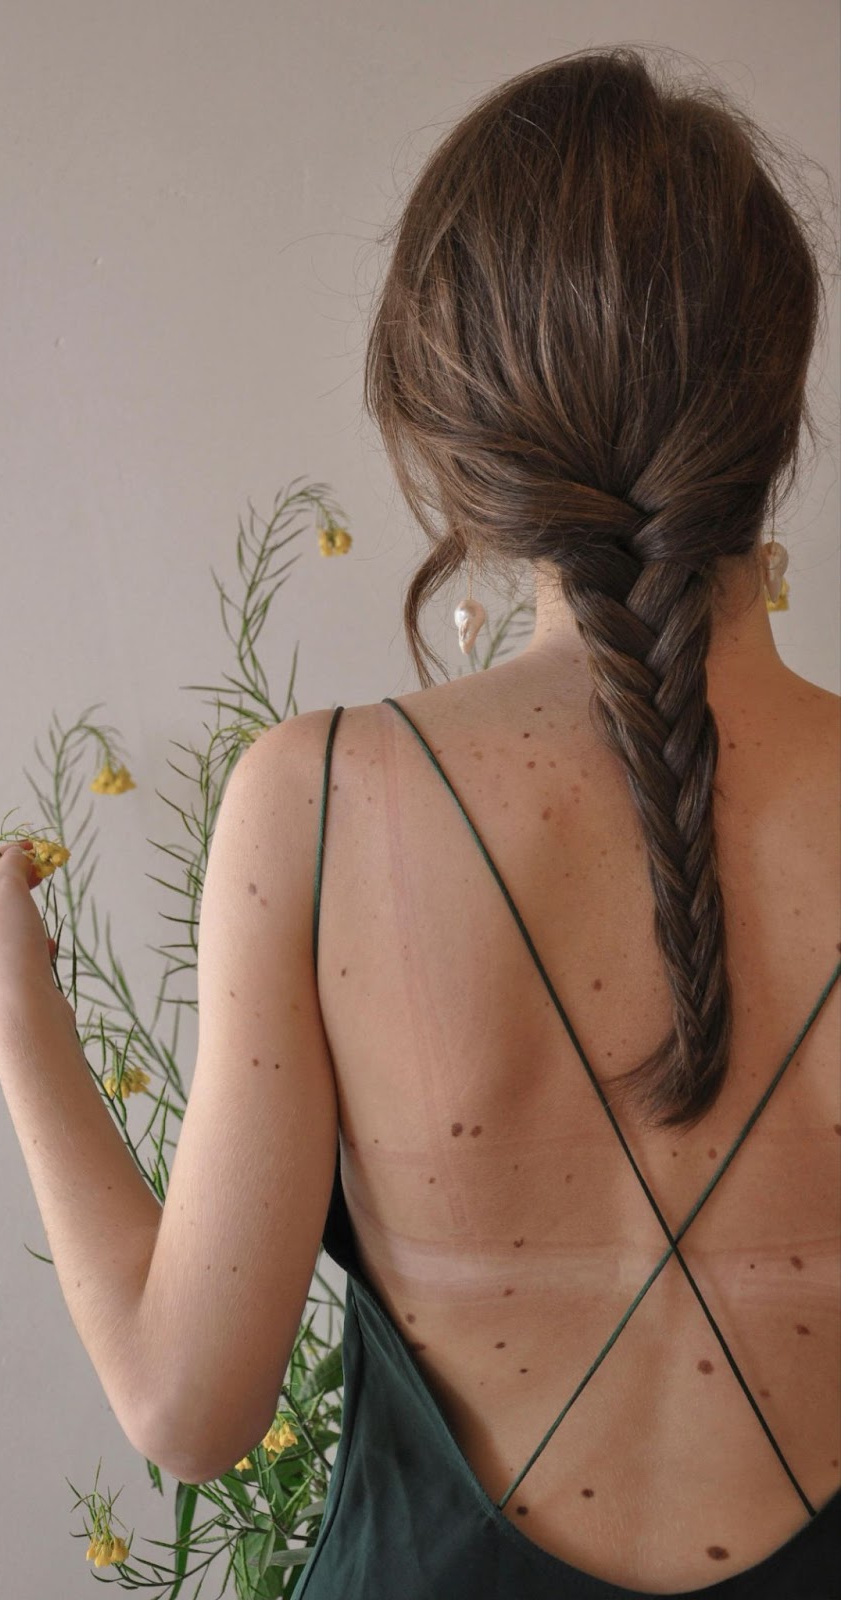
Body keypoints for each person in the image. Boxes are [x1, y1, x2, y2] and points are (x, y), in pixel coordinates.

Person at [292, 45, 840, 1599]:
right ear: (770, 404)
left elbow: (187, 1414)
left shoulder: (324, 799)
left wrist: (12, 1019)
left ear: (447, 421)